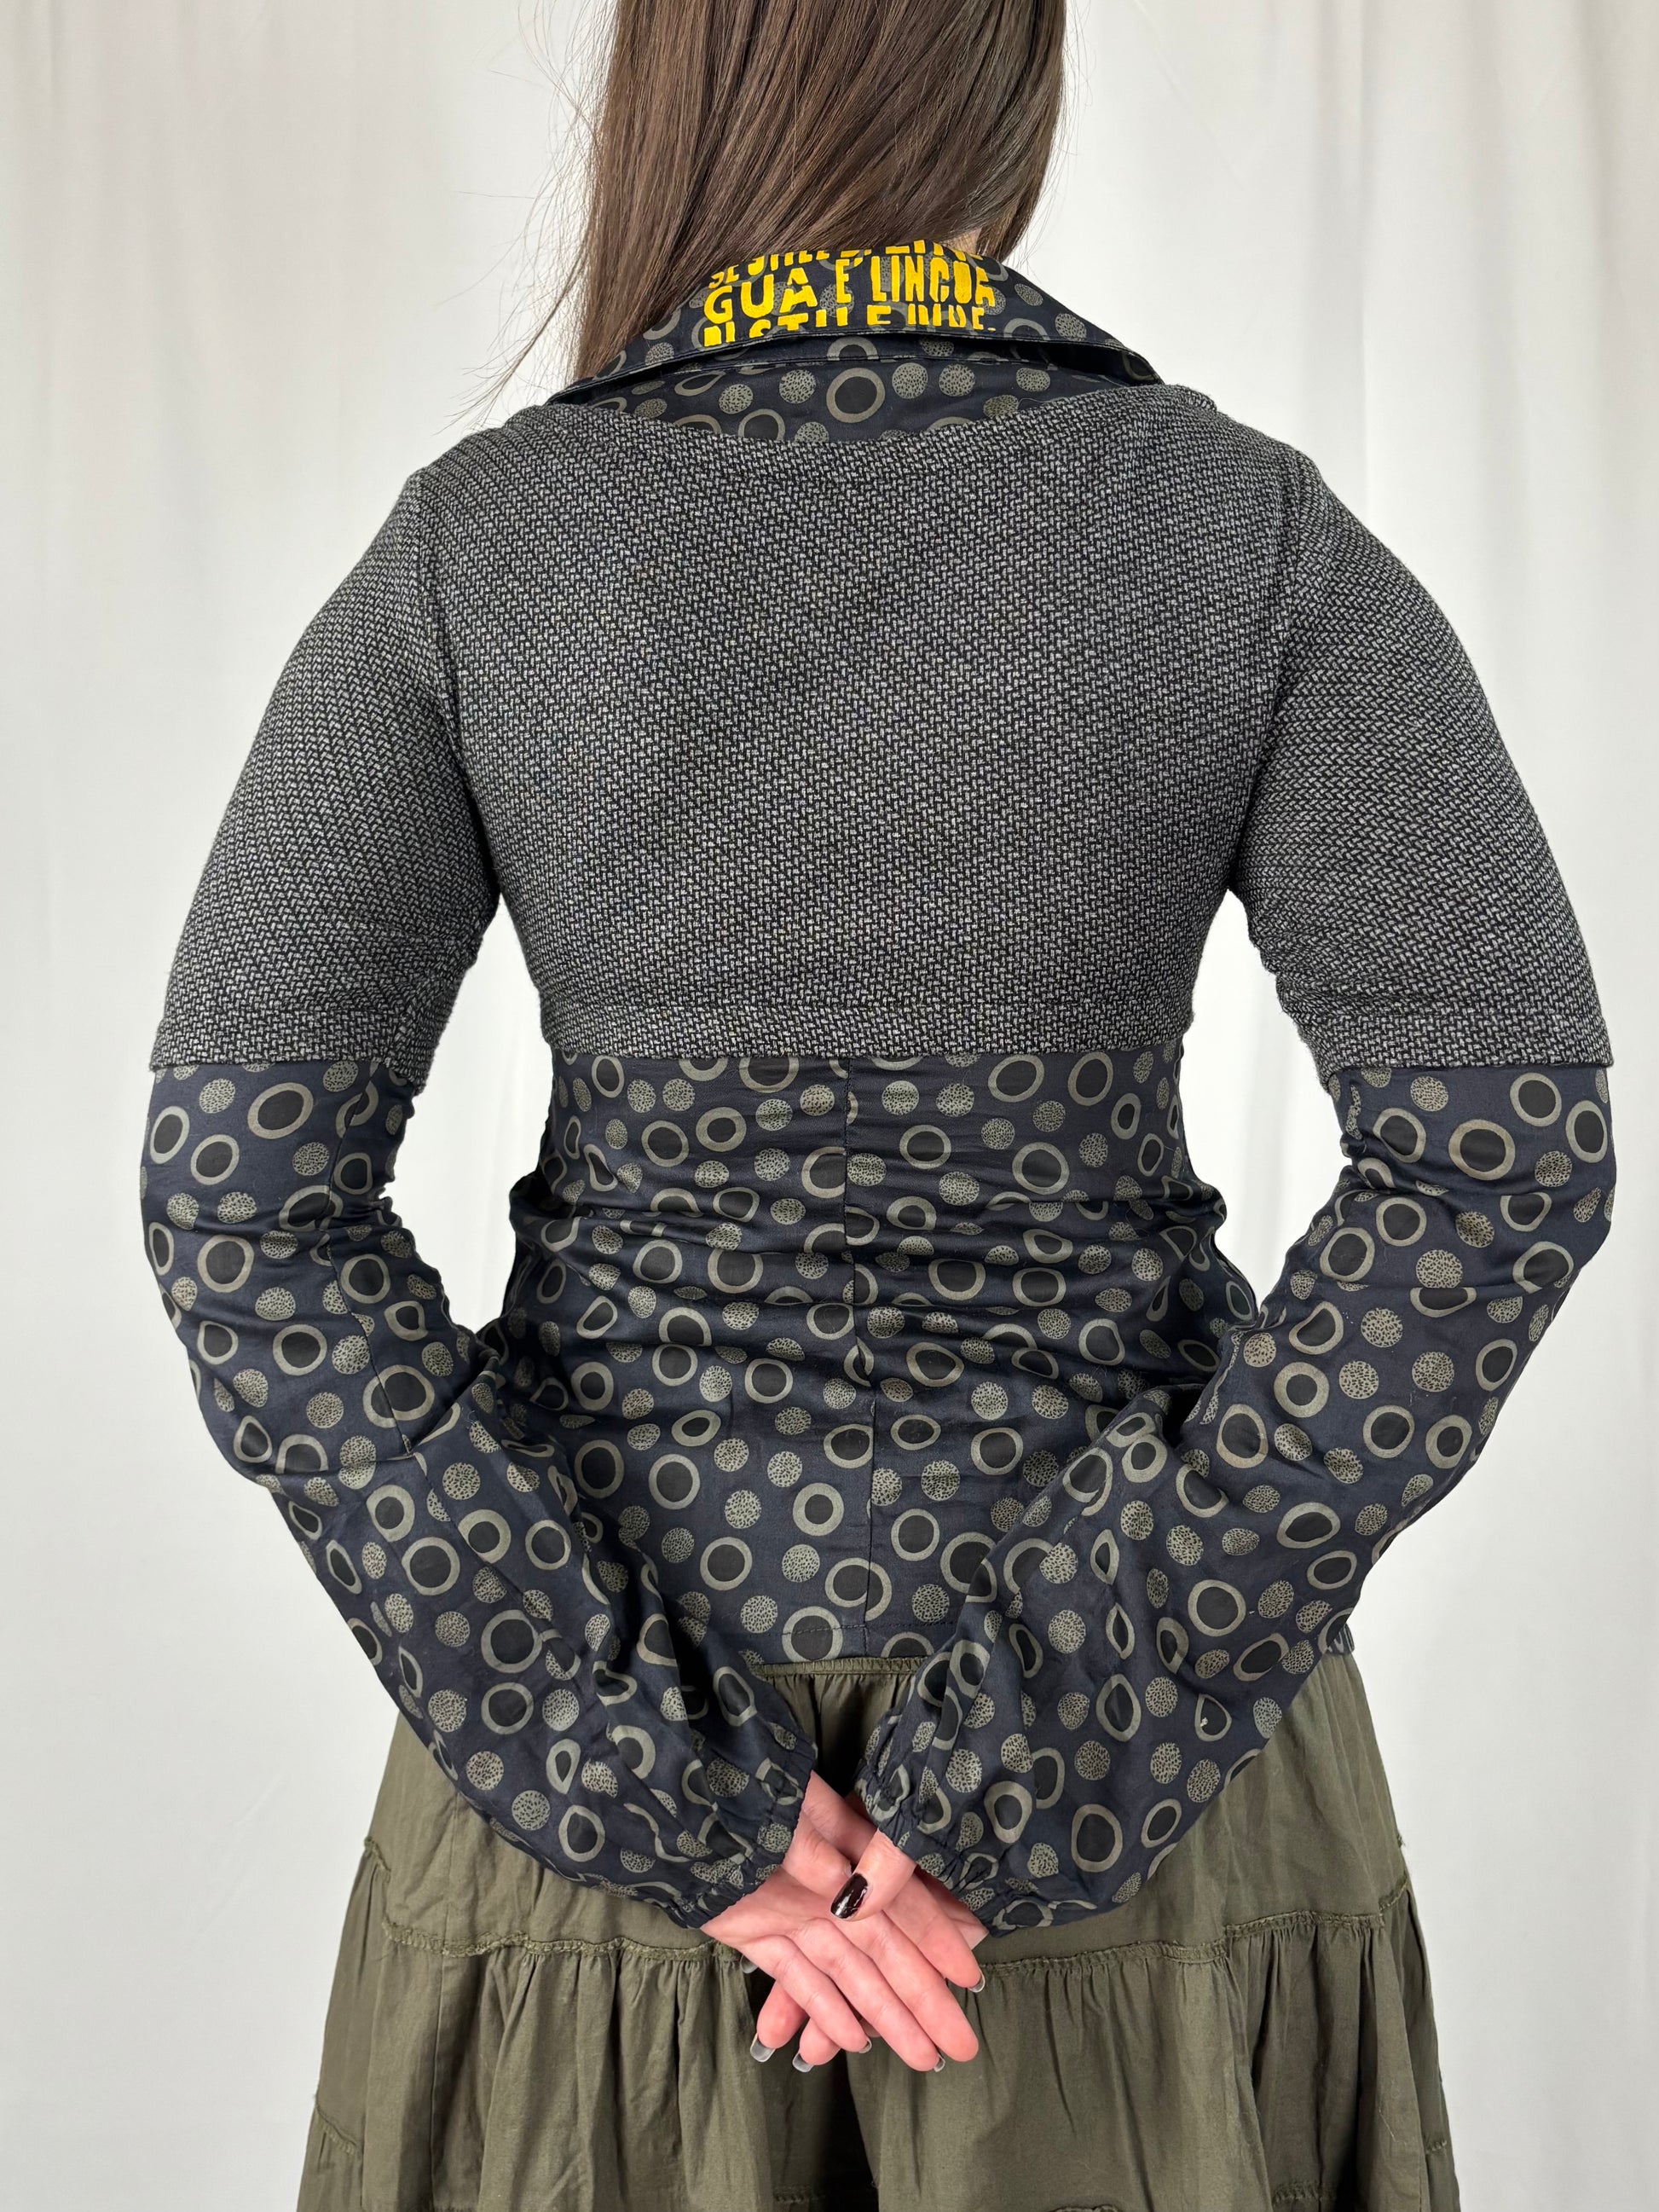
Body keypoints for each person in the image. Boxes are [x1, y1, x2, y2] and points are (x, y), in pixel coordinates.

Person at [137, 3, 1616, 2207]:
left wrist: (622, 1762)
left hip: (600, 1843)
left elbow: (241, 1198)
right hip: (1148, 1844)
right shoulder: (1243, 535)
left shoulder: (482, 550)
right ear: (1012, 84)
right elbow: (1498, 1153)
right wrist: (1079, 1723)